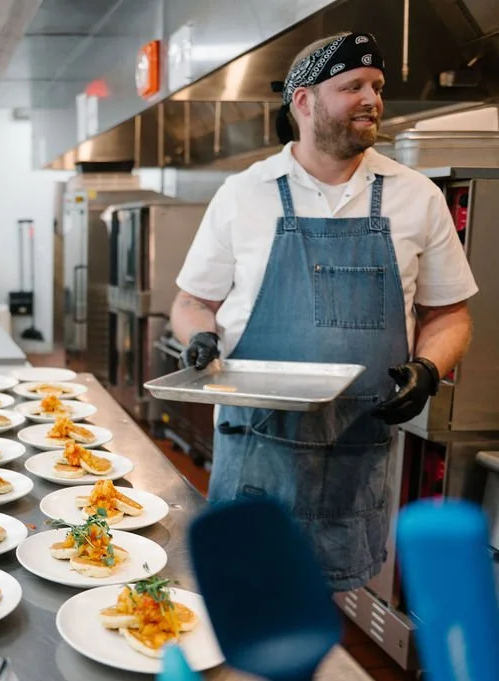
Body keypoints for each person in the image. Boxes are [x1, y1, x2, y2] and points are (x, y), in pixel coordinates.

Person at [171, 31, 477, 592]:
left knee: (323, 602)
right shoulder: (245, 193)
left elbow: (449, 313)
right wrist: (200, 338)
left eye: (377, 87)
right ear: (304, 101)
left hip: (355, 449)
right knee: (243, 592)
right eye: (352, 86)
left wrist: (429, 368)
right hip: (257, 446)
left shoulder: (416, 196)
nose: (372, 100)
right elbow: (193, 302)